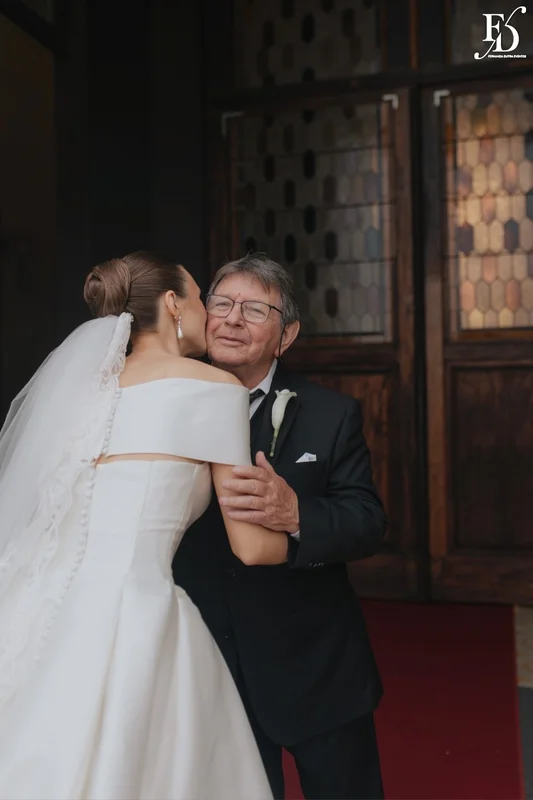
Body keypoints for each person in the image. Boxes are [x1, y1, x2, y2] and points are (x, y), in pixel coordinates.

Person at [0, 250, 280, 800]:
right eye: (203, 297)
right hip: (137, 608)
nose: (211, 313)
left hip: (41, 601)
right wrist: (289, 511)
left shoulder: (87, 391)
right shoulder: (215, 388)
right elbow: (252, 548)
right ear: (174, 304)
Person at [173, 253, 387, 800]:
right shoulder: (165, 407)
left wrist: (297, 514)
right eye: (220, 303)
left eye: (254, 308)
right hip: (204, 661)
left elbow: (367, 521)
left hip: (313, 661)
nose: (232, 319)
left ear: (286, 334)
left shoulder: (329, 413)